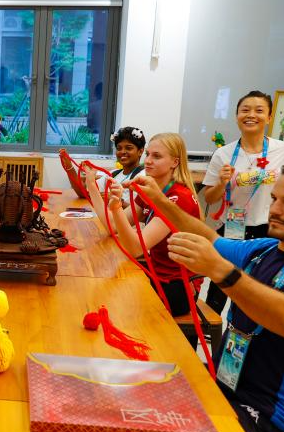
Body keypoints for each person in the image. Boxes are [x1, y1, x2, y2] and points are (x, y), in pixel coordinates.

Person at [132, 158, 284, 432]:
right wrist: (159, 200)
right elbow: (208, 237)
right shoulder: (263, 250)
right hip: (222, 387)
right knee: (133, 395)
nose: (275, 210)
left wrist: (223, 273)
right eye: (274, 199)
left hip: (268, 418)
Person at [83, 132, 202, 316]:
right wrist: (92, 187)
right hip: (157, 274)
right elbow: (112, 226)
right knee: (102, 284)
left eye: (157, 156)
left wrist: (116, 208)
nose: (148, 161)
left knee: (112, 300)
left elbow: (136, 248)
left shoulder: (179, 198)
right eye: (148, 154)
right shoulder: (152, 190)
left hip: (177, 287)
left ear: (175, 162)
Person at [202, 90, 284, 313]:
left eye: (259, 110)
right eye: (245, 110)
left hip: (270, 229)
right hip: (233, 227)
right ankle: (211, 327)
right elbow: (209, 197)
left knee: (261, 287)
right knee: (220, 285)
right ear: (237, 116)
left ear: (269, 117)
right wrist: (222, 182)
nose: (251, 115)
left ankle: (252, 327)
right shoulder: (223, 154)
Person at [60, 126, 146, 206]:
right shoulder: (113, 174)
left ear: (140, 151)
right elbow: (84, 193)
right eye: (119, 148)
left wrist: (115, 200)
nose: (122, 152)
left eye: (129, 148)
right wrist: (69, 167)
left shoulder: (143, 177)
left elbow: (142, 211)